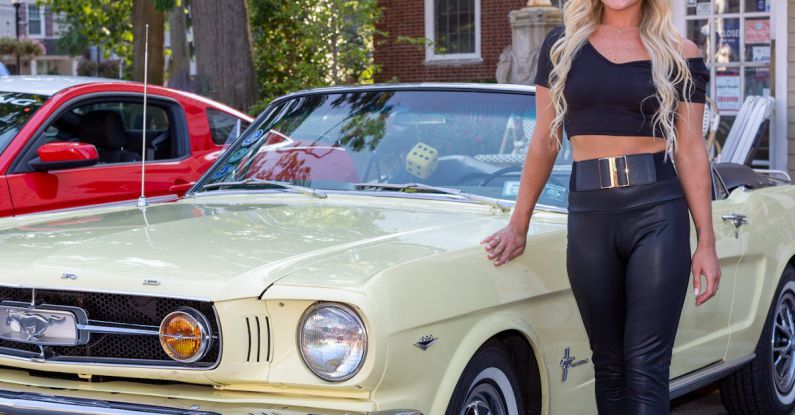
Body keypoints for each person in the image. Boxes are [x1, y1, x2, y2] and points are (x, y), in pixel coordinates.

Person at [481, 0, 721, 413]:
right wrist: (518, 224)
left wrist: (706, 242)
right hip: (590, 214)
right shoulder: (561, 46)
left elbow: (692, 150)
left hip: (658, 213)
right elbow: (544, 139)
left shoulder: (680, 52)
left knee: (646, 365)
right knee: (608, 365)